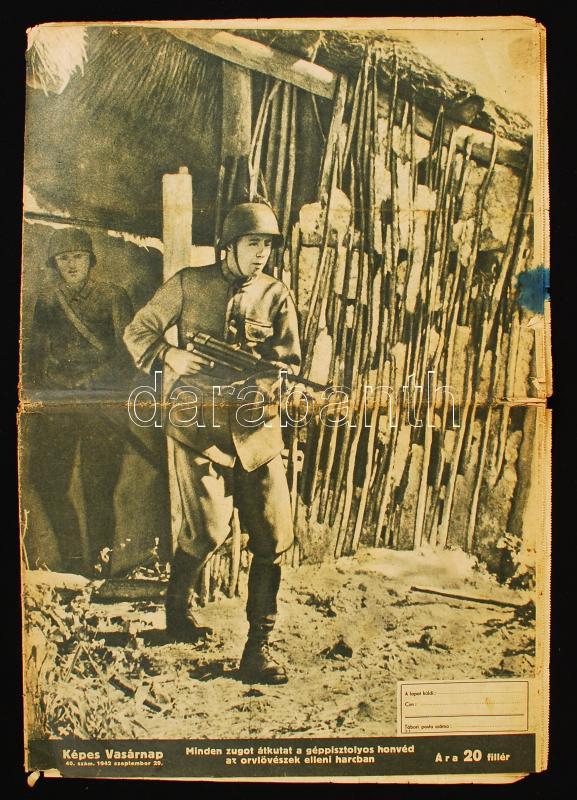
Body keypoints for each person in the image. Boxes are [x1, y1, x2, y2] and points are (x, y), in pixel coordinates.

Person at [123, 202, 301, 684]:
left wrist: (266, 382)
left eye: (267, 245)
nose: (261, 254)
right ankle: (176, 611)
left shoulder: (276, 295)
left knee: (272, 537)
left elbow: (287, 362)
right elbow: (138, 330)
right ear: (229, 245)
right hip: (198, 428)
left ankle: (258, 648)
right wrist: (170, 354)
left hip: (255, 430)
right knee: (207, 530)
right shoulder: (188, 283)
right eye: (252, 243)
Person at [26, 227, 134, 574]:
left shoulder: (112, 297)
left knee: (98, 487)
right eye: (63, 259)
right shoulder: (47, 300)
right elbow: (36, 356)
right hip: (61, 404)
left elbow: (129, 354)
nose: (71, 265)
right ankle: (73, 562)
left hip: (101, 405)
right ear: (55, 263)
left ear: (90, 261)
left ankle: (101, 566)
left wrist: (91, 381)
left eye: (78, 257)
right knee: (47, 479)